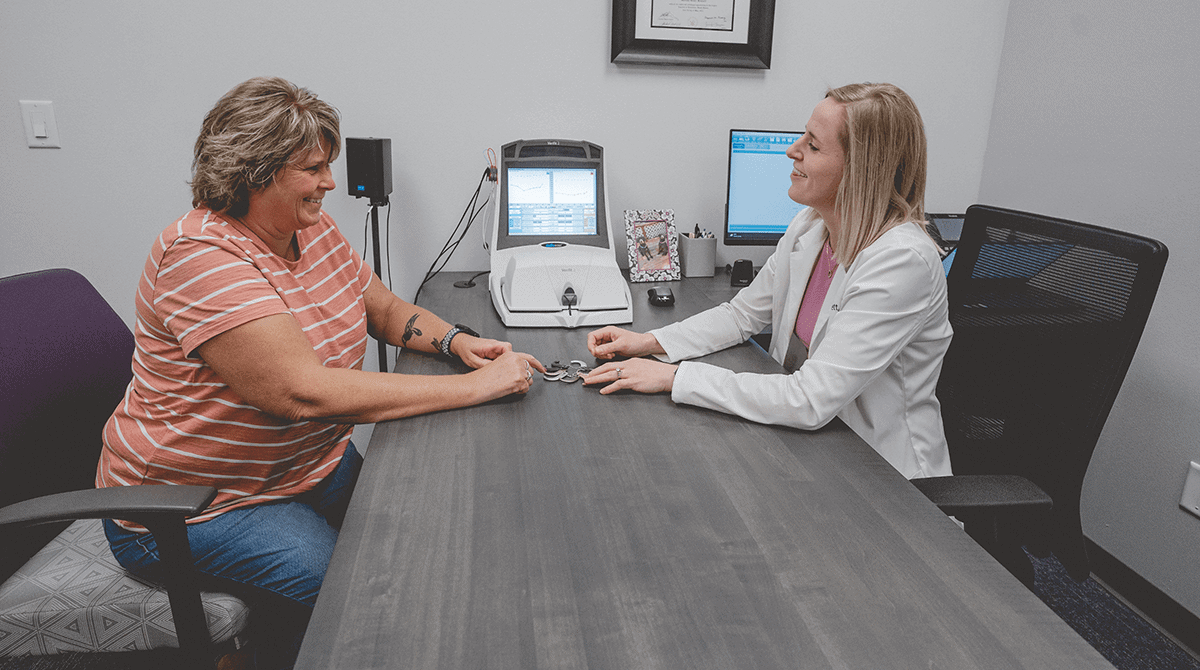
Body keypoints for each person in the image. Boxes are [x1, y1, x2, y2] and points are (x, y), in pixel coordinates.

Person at [95, 76, 545, 668]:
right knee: (365, 594)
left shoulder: (309, 229)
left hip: (305, 468)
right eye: (312, 169)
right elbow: (298, 392)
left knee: (431, 538)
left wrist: (455, 341)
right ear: (254, 173)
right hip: (198, 505)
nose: (330, 183)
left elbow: (382, 309)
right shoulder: (198, 257)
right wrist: (474, 389)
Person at [583, 83, 952, 480]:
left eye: (812, 145)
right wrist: (650, 342)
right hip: (814, 450)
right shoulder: (811, 227)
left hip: (885, 479)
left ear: (861, 169)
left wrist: (674, 377)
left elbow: (810, 399)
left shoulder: (901, 261)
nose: (792, 150)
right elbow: (741, 316)